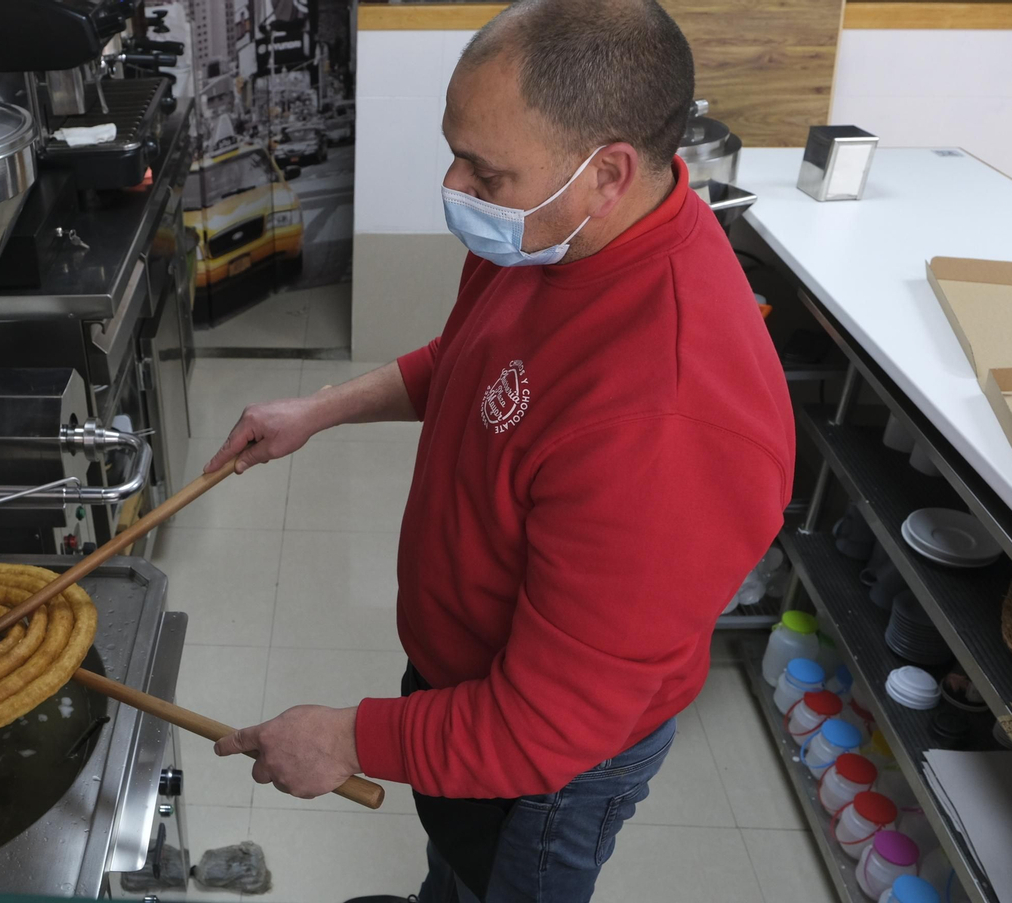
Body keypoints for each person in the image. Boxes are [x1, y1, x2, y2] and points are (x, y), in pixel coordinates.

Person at [203, 0, 795, 900]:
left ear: (607, 172)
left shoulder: (669, 421)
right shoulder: (551, 232)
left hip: (548, 771)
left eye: (484, 169)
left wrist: (349, 738)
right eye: (456, 150)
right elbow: (481, 363)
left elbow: (538, 730)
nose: (456, 185)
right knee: (456, 869)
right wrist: (320, 410)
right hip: (459, 685)